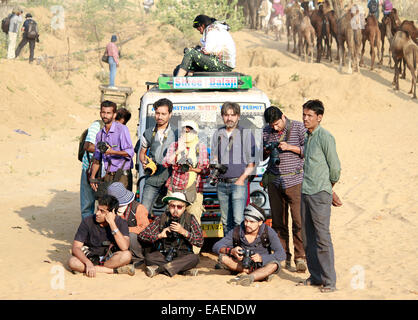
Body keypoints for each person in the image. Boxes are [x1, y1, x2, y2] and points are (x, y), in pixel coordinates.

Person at [297, 99, 341, 293]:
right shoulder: (308, 137)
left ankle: (329, 280)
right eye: (304, 115)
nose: (305, 119)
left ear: (319, 117)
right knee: (307, 237)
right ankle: (315, 276)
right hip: (305, 191)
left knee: (322, 237)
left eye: (310, 115)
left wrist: (328, 188)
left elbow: (335, 169)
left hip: (320, 193)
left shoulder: (325, 137)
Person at [262, 106, 307, 272]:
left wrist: (289, 147)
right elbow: (261, 156)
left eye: (277, 124)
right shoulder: (266, 131)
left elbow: (308, 151)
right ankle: (283, 257)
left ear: (283, 117)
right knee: (279, 223)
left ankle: (300, 257)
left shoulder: (298, 127)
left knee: (298, 221)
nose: (274, 127)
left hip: (295, 181)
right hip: (275, 182)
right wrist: (266, 149)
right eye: (272, 125)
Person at [162, 120, 209, 253]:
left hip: (194, 189)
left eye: (190, 130)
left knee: (194, 221)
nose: (187, 133)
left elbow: (205, 170)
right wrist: (178, 151)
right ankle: (170, 250)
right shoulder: (174, 145)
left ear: (196, 131)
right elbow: (166, 163)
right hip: (175, 188)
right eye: (185, 130)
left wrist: (191, 169)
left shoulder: (201, 147)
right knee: (171, 219)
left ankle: (193, 254)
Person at [211, 102, 257, 235]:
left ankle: (240, 250)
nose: (229, 118)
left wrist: (241, 180)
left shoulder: (246, 134)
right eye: (226, 115)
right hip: (221, 184)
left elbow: (252, 163)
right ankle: (229, 249)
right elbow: (214, 155)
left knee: (238, 220)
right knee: (225, 221)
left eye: (232, 115)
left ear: (238, 116)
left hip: (238, 183)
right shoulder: (218, 133)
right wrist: (214, 165)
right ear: (222, 116)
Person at [212, 203, 286, 286]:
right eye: (246, 220)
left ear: (260, 222)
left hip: (262, 265)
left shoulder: (268, 232)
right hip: (242, 264)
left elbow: (281, 254)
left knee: (274, 265)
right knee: (223, 258)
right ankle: (259, 275)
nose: (247, 224)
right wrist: (231, 251)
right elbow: (216, 246)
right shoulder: (237, 230)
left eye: (251, 222)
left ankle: (250, 277)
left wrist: (262, 258)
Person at [138, 192, 204, 278]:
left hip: (183, 255)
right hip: (164, 255)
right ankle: (181, 270)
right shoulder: (162, 218)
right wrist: (159, 235)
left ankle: (159, 269)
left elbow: (200, 242)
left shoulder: (190, 219)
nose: (175, 210)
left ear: (184, 208)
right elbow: (142, 235)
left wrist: (184, 232)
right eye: (172, 206)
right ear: (169, 206)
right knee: (149, 258)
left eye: (179, 207)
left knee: (194, 258)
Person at [68, 194, 135, 277]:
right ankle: (113, 271)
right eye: (97, 209)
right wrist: (88, 263)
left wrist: (112, 224)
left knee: (127, 255)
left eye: (102, 211)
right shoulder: (87, 221)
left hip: (110, 259)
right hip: (91, 257)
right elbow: (76, 247)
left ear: (112, 212)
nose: (97, 213)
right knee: (73, 262)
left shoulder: (121, 222)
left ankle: (89, 269)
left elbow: (124, 247)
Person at [138, 98, 178, 215]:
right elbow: (142, 152)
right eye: (157, 113)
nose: (159, 116)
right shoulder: (148, 132)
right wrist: (144, 162)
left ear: (170, 115)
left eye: (163, 114)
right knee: (143, 212)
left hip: (171, 180)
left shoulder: (177, 133)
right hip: (152, 178)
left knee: (172, 214)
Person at [89, 100, 134, 193]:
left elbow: (130, 153)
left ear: (114, 115)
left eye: (108, 113)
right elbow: (97, 159)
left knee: (121, 205)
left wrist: (112, 152)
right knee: (107, 205)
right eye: (103, 112)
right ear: (100, 113)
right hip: (108, 175)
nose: (105, 115)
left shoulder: (122, 129)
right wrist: (92, 177)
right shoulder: (100, 134)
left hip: (122, 175)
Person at [107, 182, 150, 268]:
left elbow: (145, 229)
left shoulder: (139, 208)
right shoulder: (110, 210)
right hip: (118, 241)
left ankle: (138, 259)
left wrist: (124, 230)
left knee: (132, 235)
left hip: (138, 243)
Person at [80, 118, 103, 220]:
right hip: (89, 169)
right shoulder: (97, 125)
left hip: (106, 171)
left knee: (104, 206)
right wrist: (109, 151)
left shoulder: (118, 129)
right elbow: (88, 146)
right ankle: (87, 232)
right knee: (87, 205)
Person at [115, 107, 133, 190]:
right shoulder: (123, 128)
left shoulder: (107, 128)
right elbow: (129, 152)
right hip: (122, 171)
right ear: (123, 119)